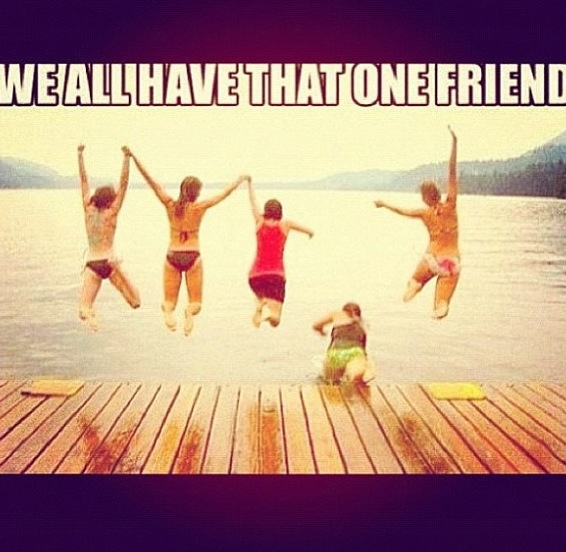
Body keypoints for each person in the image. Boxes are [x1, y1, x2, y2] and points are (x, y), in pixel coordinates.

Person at [130, 151, 248, 335]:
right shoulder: (200, 207)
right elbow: (224, 194)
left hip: (172, 256)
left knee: (169, 302)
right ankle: (189, 314)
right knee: (196, 304)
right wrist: (239, 180)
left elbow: (151, 181)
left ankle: (168, 314)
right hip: (193, 256)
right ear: (196, 192)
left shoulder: (169, 204)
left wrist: (134, 157)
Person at [374, 126, 460, 319]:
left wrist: (384, 204)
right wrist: (455, 142)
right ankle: (441, 307)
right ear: (438, 193)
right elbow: (452, 172)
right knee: (443, 296)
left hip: (431, 258)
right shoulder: (451, 205)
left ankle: (414, 287)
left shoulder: (423, 213)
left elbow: (402, 211)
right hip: (450, 261)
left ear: (424, 197)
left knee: (415, 280)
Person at [78, 144, 140, 331]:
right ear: (111, 199)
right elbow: (124, 183)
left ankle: (90, 316)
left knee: (84, 308)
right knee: (135, 301)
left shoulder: (88, 209)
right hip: (110, 262)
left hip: (93, 264)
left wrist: (80, 155)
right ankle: (119, 269)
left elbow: (83, 180)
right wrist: (126, 158)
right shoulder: (112, 212)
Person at [246, 178, 314, 327]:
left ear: (265, 211)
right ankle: (267, 312)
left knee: (262, 296)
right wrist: (310, 233)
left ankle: (260, 304)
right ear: (280, 212)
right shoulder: (286, 225)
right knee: (276, 320)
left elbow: (252, 201)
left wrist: (249, 184)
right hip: (276, 275)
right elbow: (307, 230)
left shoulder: (259, 221)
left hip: (255, 277)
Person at [312, 302, 376, 384]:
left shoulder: (336, 314)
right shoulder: (362, 323)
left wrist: (322, 332)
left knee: (331, 383)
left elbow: (316, 326)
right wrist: (366, 359)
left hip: (335, 353)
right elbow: (363, 343)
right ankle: (353, 379)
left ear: (344, 310)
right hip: (355, 353)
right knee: (356, 378)